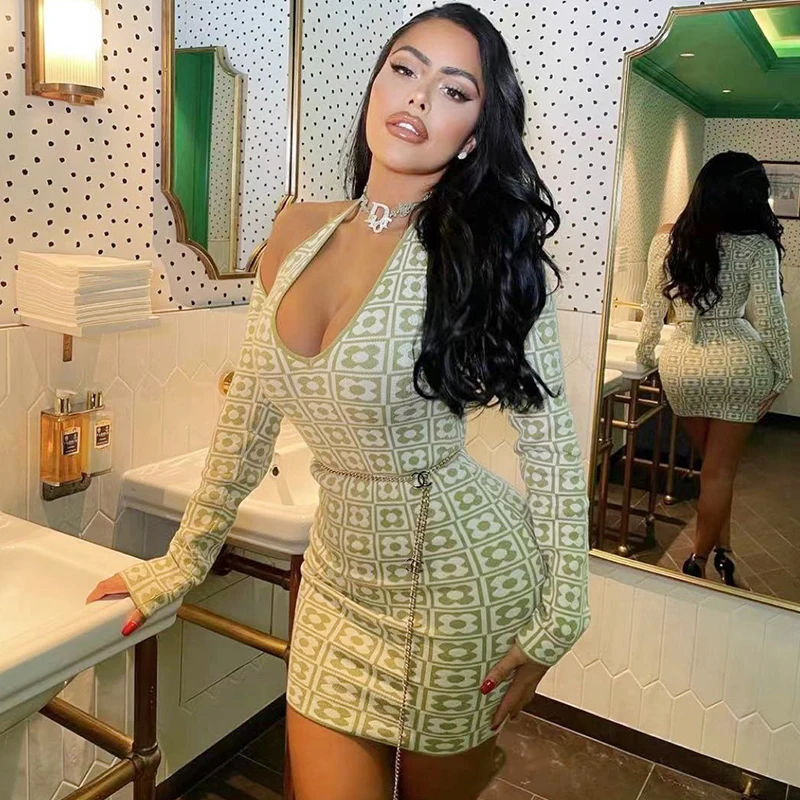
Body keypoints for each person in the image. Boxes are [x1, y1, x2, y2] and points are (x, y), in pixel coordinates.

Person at [87, 5, 590, 799]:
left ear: (473, 133)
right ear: (376, 84)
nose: (419, 96)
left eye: (454, 90)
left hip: (457, 585)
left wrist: (563, 616)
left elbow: (550, 444)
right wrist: (182, 562)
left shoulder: (484, 254)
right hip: (334, 584)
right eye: (405, 68)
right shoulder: (296, 230)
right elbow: (250, 416)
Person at [636, 151, 792, 588]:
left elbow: (652, 306)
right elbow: (771, 316)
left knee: (713, 469)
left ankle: (724, 549)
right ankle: (698, 557)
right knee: (721, 471)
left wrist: (647, 355)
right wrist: (783, 373)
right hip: (738, 363)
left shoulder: (667, 239)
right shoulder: (757, 245)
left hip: (683, 364)